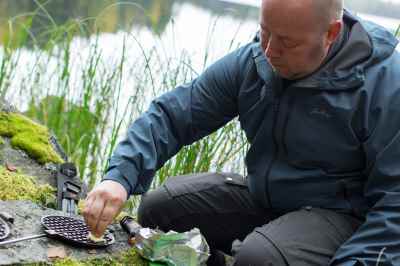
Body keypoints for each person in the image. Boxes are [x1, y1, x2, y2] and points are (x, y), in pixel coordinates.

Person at [83, 0, 400, 265]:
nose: (270, 50)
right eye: (265, 32)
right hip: (270, 197)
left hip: (345, 217)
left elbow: (394, 206)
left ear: (331, 33)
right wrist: (119, 177)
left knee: (260, 258)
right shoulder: (256, 61)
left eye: (287, 42)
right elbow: (173, 115)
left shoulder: (385, 85)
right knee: (158, 209)